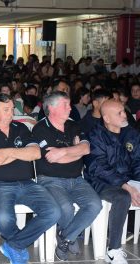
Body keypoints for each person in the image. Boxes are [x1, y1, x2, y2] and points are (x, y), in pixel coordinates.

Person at [0, 94, 60, 264]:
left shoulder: (21, 128)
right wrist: (20, 153)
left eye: (12, 109)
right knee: (3, 219)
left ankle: (13, 245)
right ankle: (18, 244)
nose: (11, 112)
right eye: (6, 109)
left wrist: (6, 152)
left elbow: (36, 153)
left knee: (53, 211)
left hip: (28, 183)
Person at [32, 91, 102, 261]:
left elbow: (85, 149)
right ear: (51, 107)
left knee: (95, 205)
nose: (70, 108)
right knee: (66, 208)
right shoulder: (40, 128)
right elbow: (51, 159)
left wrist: (63, 151)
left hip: (77, 179)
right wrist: (74, 152)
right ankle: (69, 236)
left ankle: (65, 237)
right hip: (50, 179)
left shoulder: (74, 126)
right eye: (66, 105)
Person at [84, 99, 140, 264]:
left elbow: (138, 161)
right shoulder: (96, 135)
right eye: (120, 113)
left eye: (124, 111)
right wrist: (126, 186)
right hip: (101, 181)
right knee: (123, 197)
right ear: (107, 119)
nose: (125, 115)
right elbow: (98, 167)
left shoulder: (131, 133)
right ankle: (113, 250)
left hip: (128, 179)